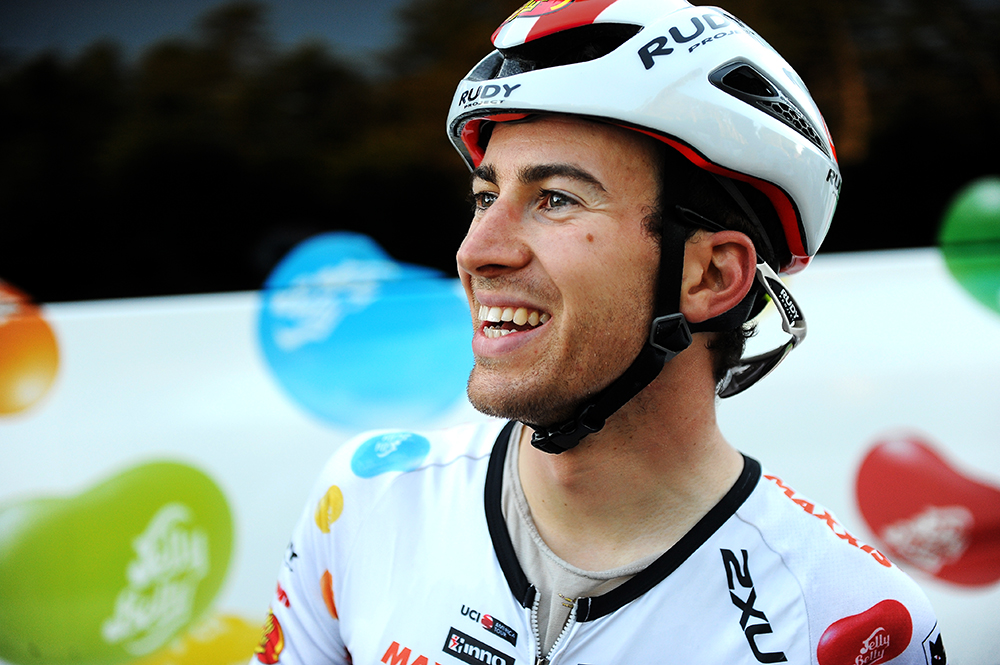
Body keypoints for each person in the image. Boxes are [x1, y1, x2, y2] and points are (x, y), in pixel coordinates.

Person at [252, 1, 945, 664]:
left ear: (709, 276)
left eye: (555, 198)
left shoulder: (844, 622)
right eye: (485, 197)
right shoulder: (371, 500)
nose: (476, 251)